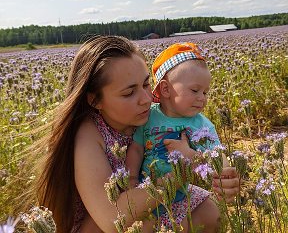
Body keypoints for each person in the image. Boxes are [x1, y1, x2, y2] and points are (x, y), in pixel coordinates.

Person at [29, 36, 238, 233]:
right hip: (108, 223)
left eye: (146, 84)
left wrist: (224, 174)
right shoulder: (89, 134)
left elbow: (206, 140)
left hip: (150, 204)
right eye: (129, 93)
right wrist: (177, 175)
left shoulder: (152, 115)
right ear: (94, 100)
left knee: (213, 211)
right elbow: (112, 219)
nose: (146, 99)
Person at [126, 42, 239, 232]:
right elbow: (136, 147)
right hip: (146, 197)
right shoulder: (149, 116)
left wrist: (218, 171)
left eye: (205, 92)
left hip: (179, 198)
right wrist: (130, 180)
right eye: (195, 91)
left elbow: (217, 157)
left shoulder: (200, 124)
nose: (202, 98)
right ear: (166, 90)